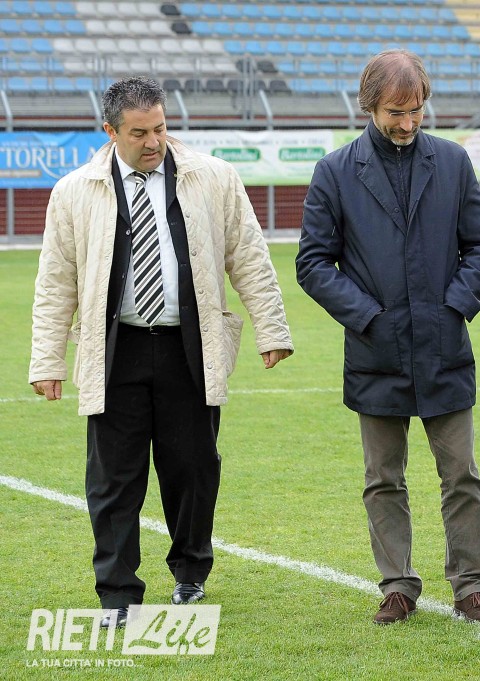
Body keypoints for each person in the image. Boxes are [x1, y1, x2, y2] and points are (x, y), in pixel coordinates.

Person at [29, 77, 293, 628]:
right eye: (139, 133)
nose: (154, 142)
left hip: (189, 348)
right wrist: (47, 360)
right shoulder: (74, 191)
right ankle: (118, 596)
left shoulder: (214, 177)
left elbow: (248, 254)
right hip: (114, 350)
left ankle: (190, 573)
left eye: (161, 128)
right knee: (112, 482)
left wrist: (272, 329)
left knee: (193, 471)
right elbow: (55, 282)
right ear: (110, 131)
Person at [295, 50, 480, 626]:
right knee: (383, 479)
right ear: (369, 106)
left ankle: (470, 585)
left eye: (415, 111)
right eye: (395, 112)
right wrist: (368, 317)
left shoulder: (453, 161)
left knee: (462, 475)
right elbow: (312, 263)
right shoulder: (335, 171)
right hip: (375, 350)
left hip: (444, 346)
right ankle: (397, 585)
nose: (408, 123)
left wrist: (454, 307)